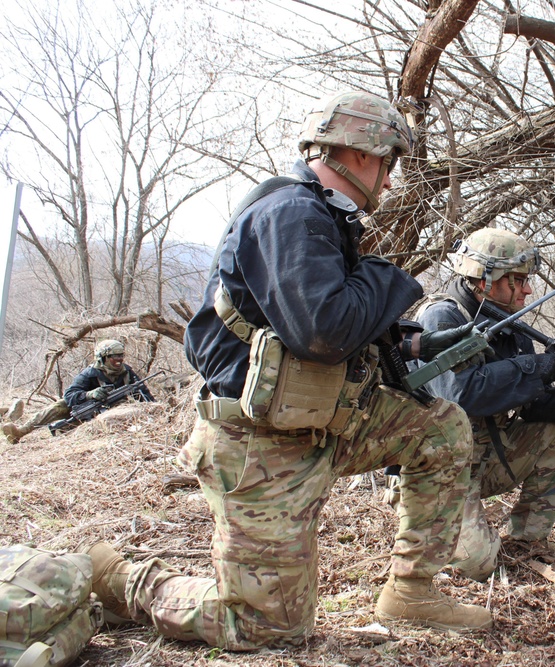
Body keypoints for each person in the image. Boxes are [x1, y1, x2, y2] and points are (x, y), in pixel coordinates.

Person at [84, 90, 492, 652]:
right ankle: (121, 580)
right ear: (359, 154)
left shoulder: (320, 216)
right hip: (258, 445)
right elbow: (323, 330)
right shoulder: (292, 213)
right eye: (388, 163)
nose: (391, 181)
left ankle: (412, 591)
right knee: (266, 629)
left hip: (319, 422)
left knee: (440, 427)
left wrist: (415, 342)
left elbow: (308, 325)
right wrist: (387, 278)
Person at [404, 229, 555, 581]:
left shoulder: (507, 324)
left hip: (481, 461)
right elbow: (459, 395)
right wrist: (537, 366)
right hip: (437, 470)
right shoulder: (442, 317)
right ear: (485, 279)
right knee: (478, 565)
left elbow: (533, 404)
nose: (527, 290)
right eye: (518, 280)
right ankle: (446, 529)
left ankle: (529, 539)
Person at [1, 339, 154, 444]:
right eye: (114, 357)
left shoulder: (128, 373)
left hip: (112, 415)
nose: (119, 360)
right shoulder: (90, 373)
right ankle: (20, 432)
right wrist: (90, 394)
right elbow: (69, 396)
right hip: (84, 408)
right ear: (103, 358)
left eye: (121, 356)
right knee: (59, 405)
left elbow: (145, 396)